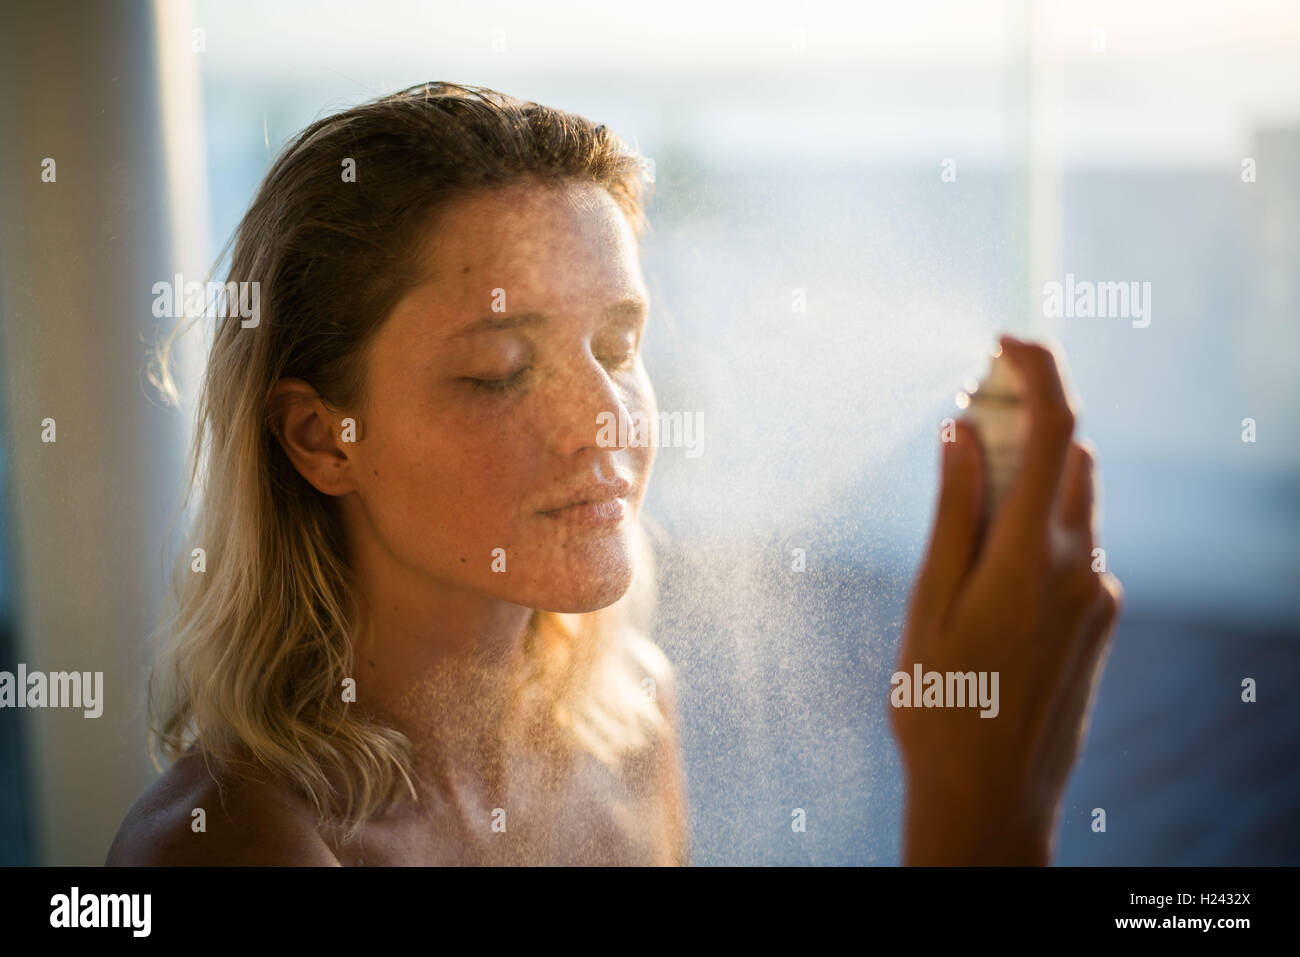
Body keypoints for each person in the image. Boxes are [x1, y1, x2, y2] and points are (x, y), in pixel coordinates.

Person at [105, 81, 1121, 866]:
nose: (606, 417)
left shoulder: (630, 716)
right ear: (324, 440)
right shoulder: (234, 844)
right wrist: (981, 817)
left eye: (619, 346)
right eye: (502, 370)